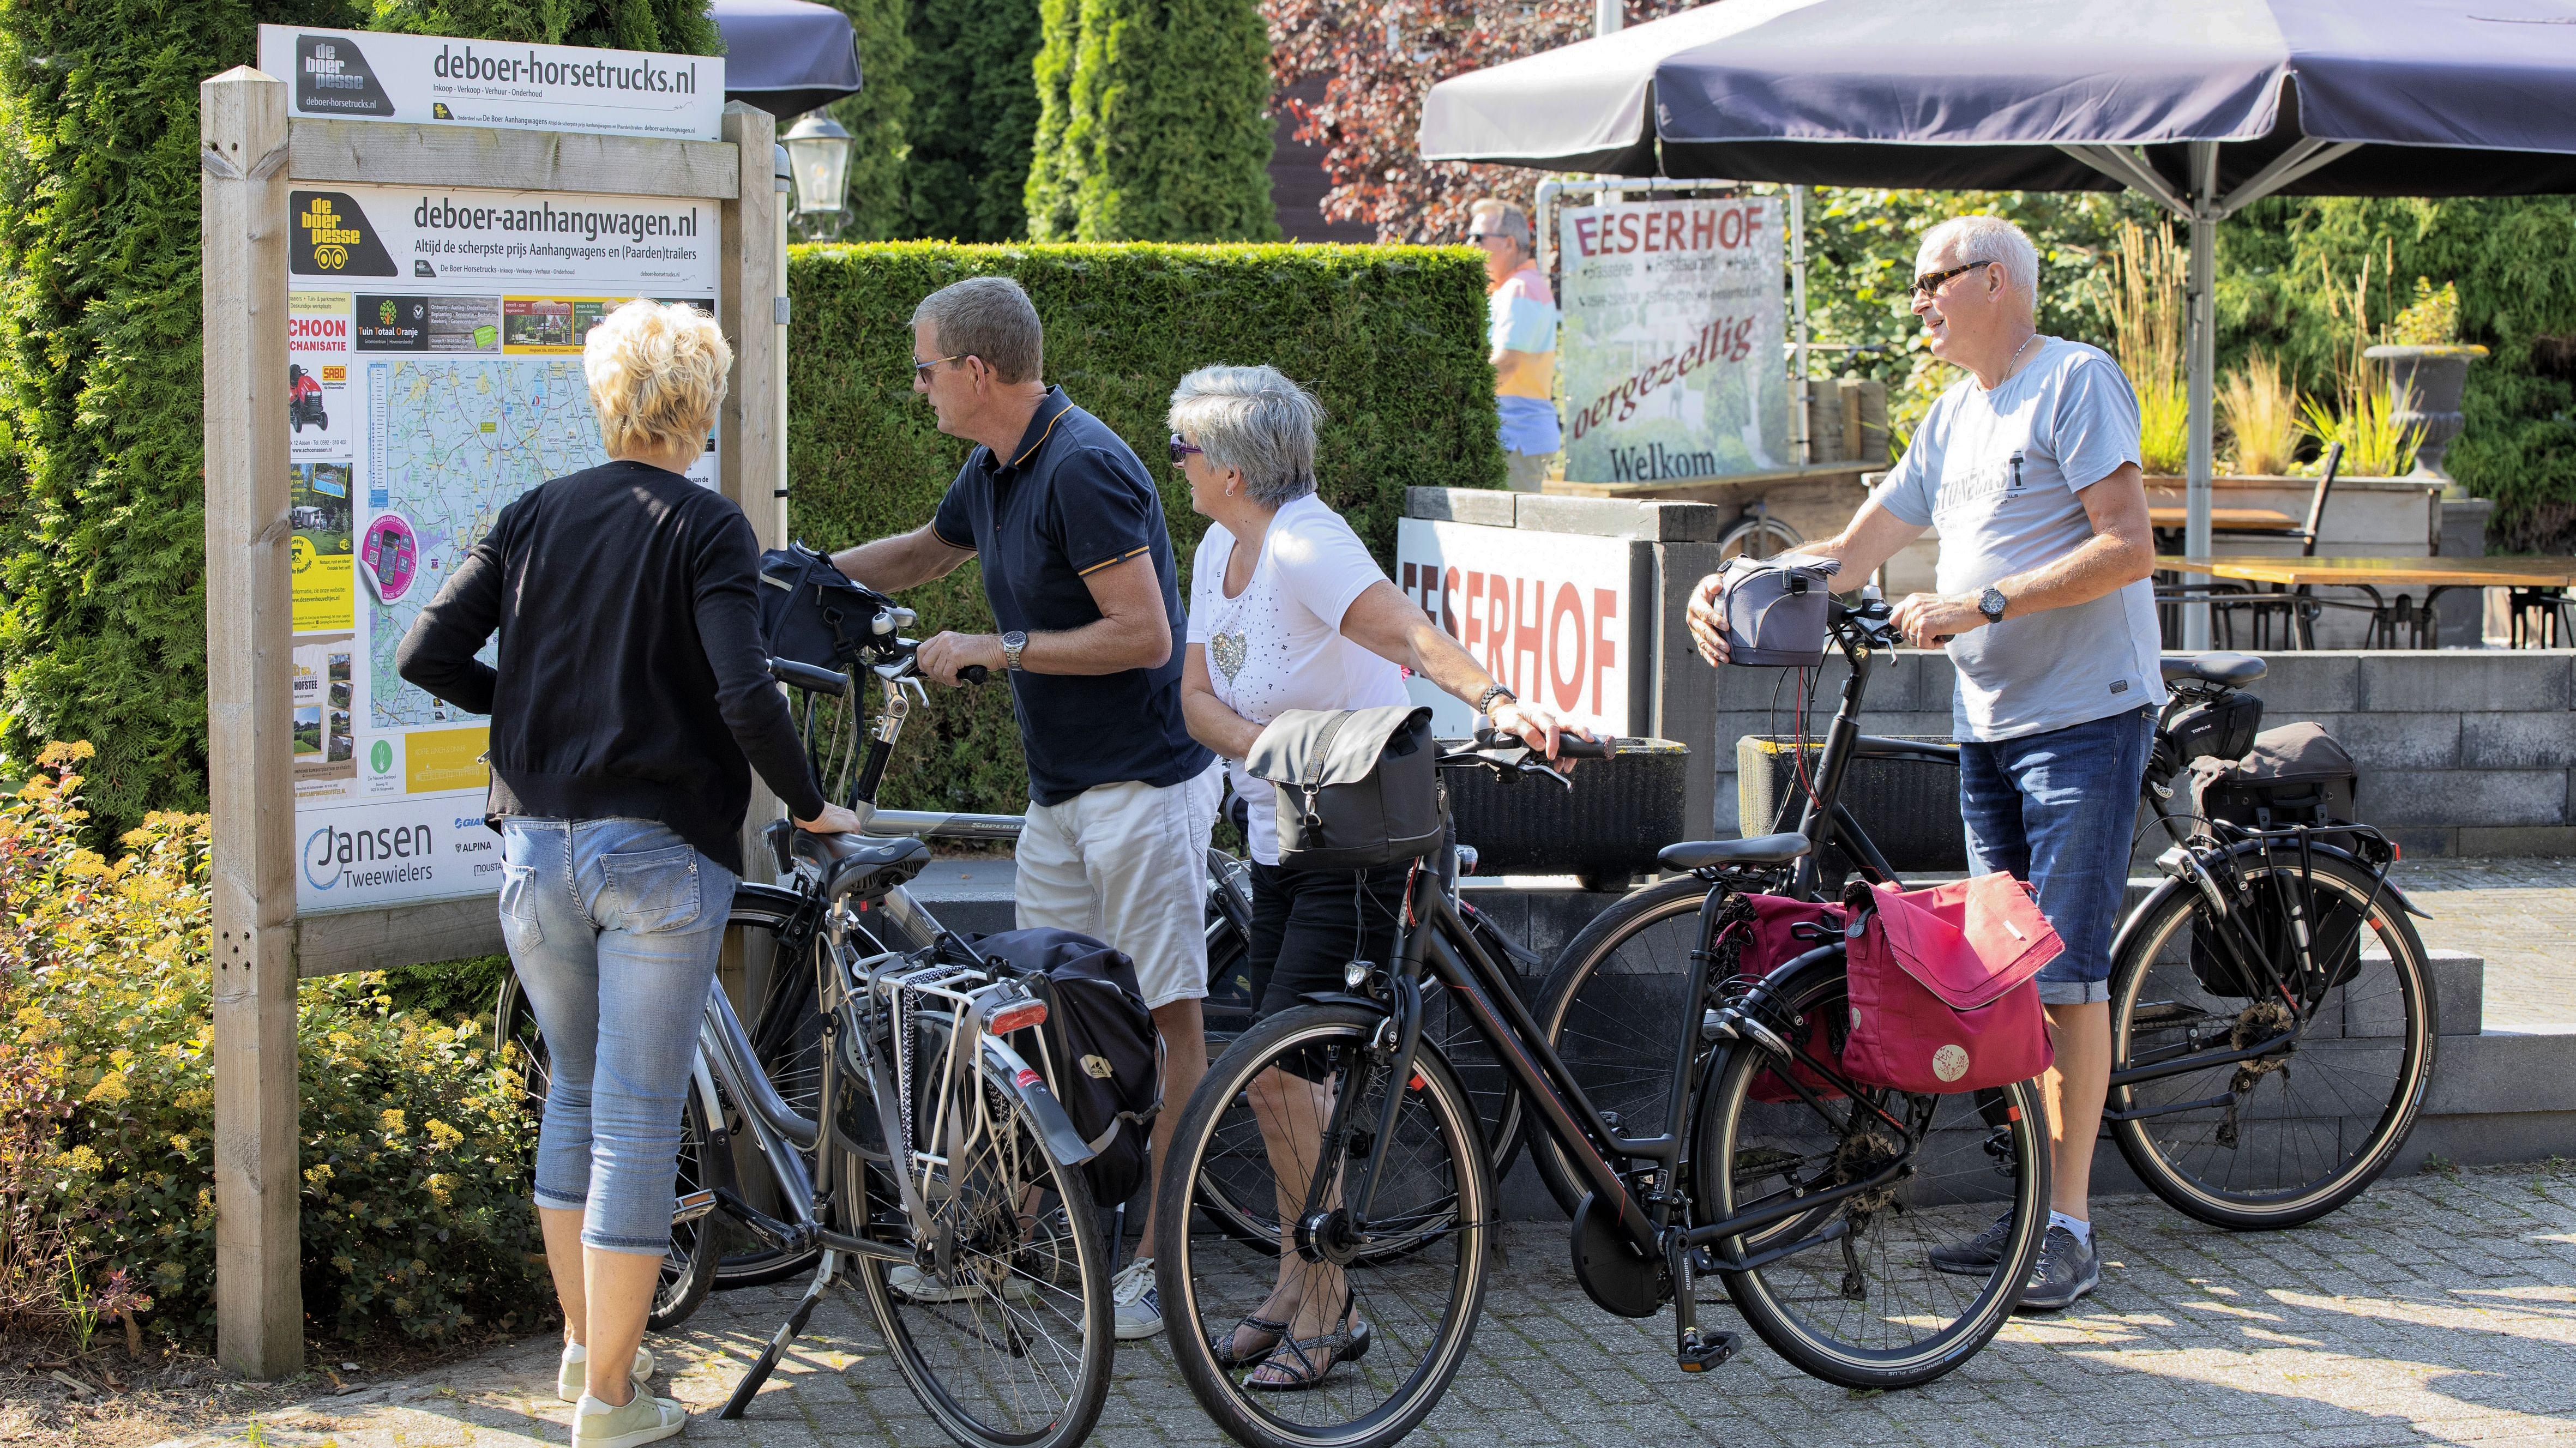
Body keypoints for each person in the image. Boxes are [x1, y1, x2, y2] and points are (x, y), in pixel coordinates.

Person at [396, 299, 858, 1447]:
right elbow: (747, 691)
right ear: (698, 405)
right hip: (654, 852)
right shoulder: (708, 526)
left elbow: (426, 651)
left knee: (577, 1092)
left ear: (607, 397)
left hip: (535, 847)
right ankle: (612, 1400)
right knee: (642, 1121)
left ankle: (583, 1350)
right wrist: (808, 802)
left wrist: (546, 709)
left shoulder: (532, 512)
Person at [1686, 215, 2160, 1313]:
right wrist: (1735, 584)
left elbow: (2129, 542)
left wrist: (1982, 599)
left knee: (2064, 972)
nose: (1916, 303)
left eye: (1929, 282)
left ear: (1995, 281)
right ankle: (2031, 1206)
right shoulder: (1953, 416)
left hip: (2084, 718)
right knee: (2004, 970)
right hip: (1990, 723)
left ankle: (2071, 1225)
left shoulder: (2074, 383)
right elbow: (1849, 553)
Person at [1170, 364, 1587, 1388]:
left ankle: (1328, 1303)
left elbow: (1403, 630)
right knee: (1283, 1082)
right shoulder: (1218, 543)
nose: (1173, 464)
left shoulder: (1306, 540)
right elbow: (1191, 699)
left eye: (1182, 448)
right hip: (1281, 834)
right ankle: (1294, 1278)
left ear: (1226, 465)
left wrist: (1495, 697)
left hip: (1360, 845)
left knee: (1281, 1071)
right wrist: (1270, 748)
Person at [827, 275, 1219, 1340]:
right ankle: (1010, 1236)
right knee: (1035, 1015)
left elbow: (1144, 632)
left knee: (1170, 1017)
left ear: (976, 371)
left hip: (1146, 785)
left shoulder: (1083, 466)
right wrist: (795, 577)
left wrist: (994, 648)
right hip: (1062, 796)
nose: (915, 386)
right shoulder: (996, 464)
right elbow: (923, 550)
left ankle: (1155, 1263)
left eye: (922, 367)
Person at [1468, 198, 1562, 492]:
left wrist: (1460, 397)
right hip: (1518, 437)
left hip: (1518, 438)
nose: (1471, 245)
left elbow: (1507, 363)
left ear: (1509, 243)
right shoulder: (1514, 287)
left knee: (1513, 533)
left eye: (1479, 238)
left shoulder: (1520, 289)